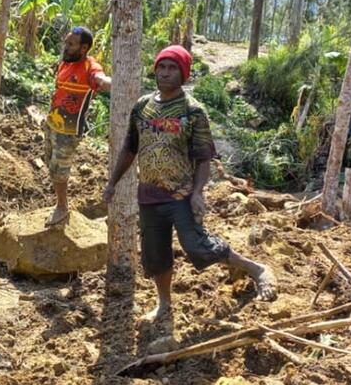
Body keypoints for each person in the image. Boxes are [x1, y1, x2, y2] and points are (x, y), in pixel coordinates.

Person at [103, 45, 277, 322]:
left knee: (197, 245)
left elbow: (203, 158)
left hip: (180, 195)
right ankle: (164, 305)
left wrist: (197, 193)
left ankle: (254, 268)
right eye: (162, 67)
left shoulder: (193, 111)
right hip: (148, 195)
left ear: (183, 74)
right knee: (155, 254)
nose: (166, 73)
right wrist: (112, 183)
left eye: (173, 68)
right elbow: (129, 148)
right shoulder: (142, 106)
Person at [44, 26, 112, 226]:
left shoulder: (90, 67)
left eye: (71, 44)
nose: (65, 46)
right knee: (51, 165)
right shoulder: (65, 63)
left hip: (69, 131)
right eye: (66, 42)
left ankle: (62, 208)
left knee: (60, 169)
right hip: (52, 125)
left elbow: (100, 79)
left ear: (84, 48)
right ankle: (59, 202)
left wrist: (115, 83)